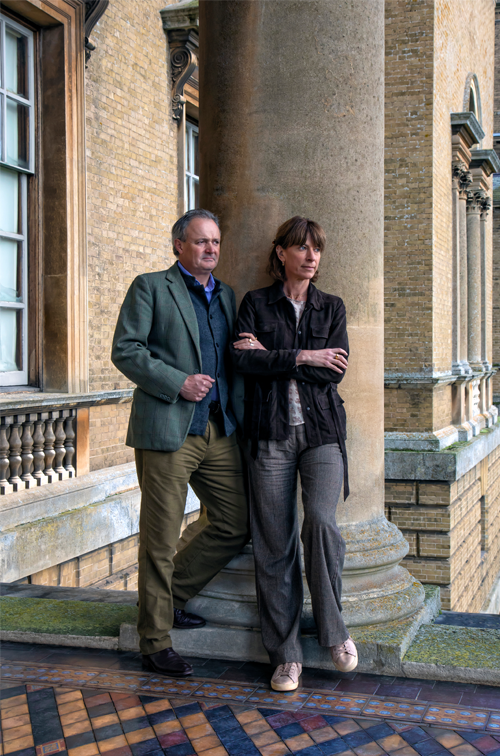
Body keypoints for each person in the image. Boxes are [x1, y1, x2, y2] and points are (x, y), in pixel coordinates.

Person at [112, 208, 248, 678]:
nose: (210, 249)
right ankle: (154, 642)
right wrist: (178, 382)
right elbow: (126, 350)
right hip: (168, 428)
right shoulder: (150, 287)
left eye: (215, 242)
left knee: (236, 521)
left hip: (217, 428)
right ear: (179, 246)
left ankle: (171, 599)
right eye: (200, 242)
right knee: (159, 540)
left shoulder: (227, 295)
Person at [231, 215, 357, 692]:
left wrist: (275, 356)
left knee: (321, 522)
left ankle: (334, 631)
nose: (311, 256)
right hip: (270, 434)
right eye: (301, 247)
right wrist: (304, 356)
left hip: (321, 434)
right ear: (281, 252)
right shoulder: (256, 303)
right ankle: (285, 656)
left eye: (316, 249)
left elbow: (336, 370)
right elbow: (242, 359)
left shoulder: (333, 307)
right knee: (273, 542)